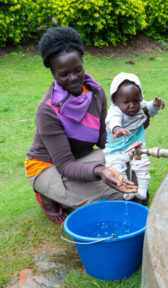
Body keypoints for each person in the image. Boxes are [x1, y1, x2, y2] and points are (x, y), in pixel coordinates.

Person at [24, 27, 137, 223]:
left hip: (80, 157)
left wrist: (124, 136)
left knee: (133, 181)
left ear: (83, 63)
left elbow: (102, 136)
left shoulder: (95, 91)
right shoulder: (48, 110)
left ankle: (68, 194)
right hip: (48, 166)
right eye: (64, 74)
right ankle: (47, 193)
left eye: (78, 70)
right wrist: (100, 170)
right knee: (115, 200)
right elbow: (65, 164)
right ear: (53, 73)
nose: (74, 78)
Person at [104, 72, 165, 203]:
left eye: (135, 101)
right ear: (115, 100)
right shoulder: (115, 111)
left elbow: (149, 109)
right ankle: (126, 191)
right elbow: (112, 121)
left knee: (142, 164)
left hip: (136, 148)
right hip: (117, 151)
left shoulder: (140, 106)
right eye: (126, 102)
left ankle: (142, 190)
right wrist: (117, 129)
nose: (132, 105)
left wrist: (155, 105)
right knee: (117, 169)